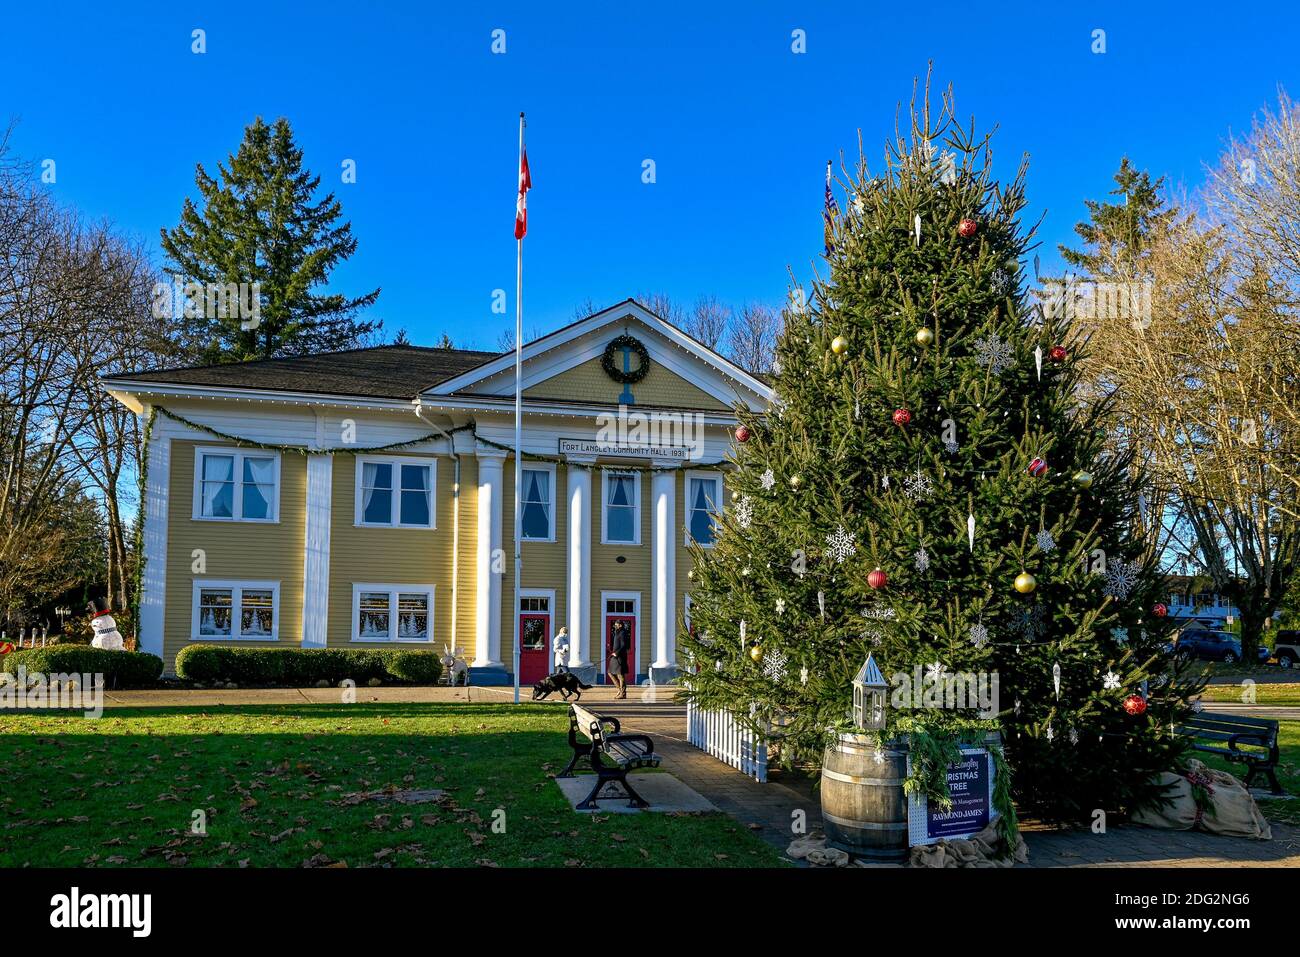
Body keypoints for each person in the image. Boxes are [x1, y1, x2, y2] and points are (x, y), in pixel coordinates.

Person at [609, 621, 630, 699]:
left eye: (616, 624)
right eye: (614, 624)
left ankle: (623, 694)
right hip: (615, 657)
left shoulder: (623, 633)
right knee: (610, 672)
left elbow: (624, 645)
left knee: (620, 675)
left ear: (620, 625)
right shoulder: (617, 632)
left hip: (620, 657)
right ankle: (619, 690)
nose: (615, 626)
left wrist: (616, 653)